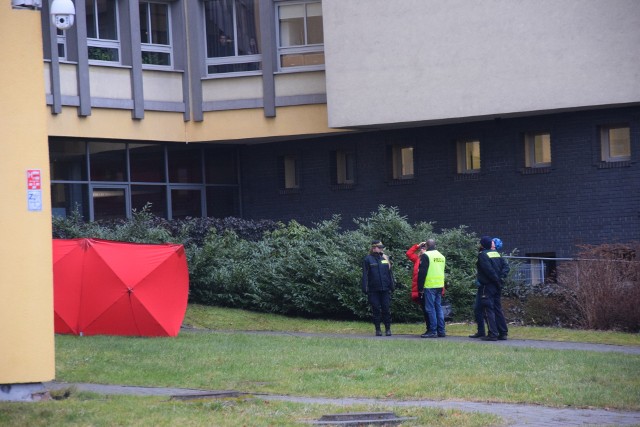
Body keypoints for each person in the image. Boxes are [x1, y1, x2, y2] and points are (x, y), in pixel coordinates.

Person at [469, 237, 510, 339]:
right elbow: (506, 267)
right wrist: (500, 279)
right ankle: (503, 332)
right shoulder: (497, 254)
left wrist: (496, 279)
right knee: (497, 309)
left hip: (487, 285)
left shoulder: (483, 255)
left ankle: (492, 333)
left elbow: (488, 270)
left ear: (482, 245)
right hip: (497, 285)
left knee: (488, 309)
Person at [362, 240, 395, 336]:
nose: (381, 249)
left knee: (386, 309)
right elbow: (365, 275)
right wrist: (365, 288)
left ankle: (388, 329)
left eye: (381, 247)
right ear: (374, 248)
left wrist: (392, 286)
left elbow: (389, 273)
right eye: (379, 247)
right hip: (373, 289)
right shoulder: (367, 259)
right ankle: (378, 329)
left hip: (385, 289)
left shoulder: (384, 258)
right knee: (375, 309)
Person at [416, 239, 446, 338]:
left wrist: (420, 287)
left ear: (427, 246)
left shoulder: (426, 256)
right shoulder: (441, 256)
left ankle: (432, 331)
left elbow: (422, 273)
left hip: (429, 285)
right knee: (438, 308)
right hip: (439, 285)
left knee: (430, 309)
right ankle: (441, 331)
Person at [406, 242, 430, 335]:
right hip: (420, 289)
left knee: (429, 309)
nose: (422, 249)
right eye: (421, 248)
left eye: (424, 248)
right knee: (425, 309)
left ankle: (432, 329)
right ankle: (429, 328)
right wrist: (417, 246)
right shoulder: (418, 259)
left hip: (428, 287)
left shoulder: (430, 258)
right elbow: (409, 254)